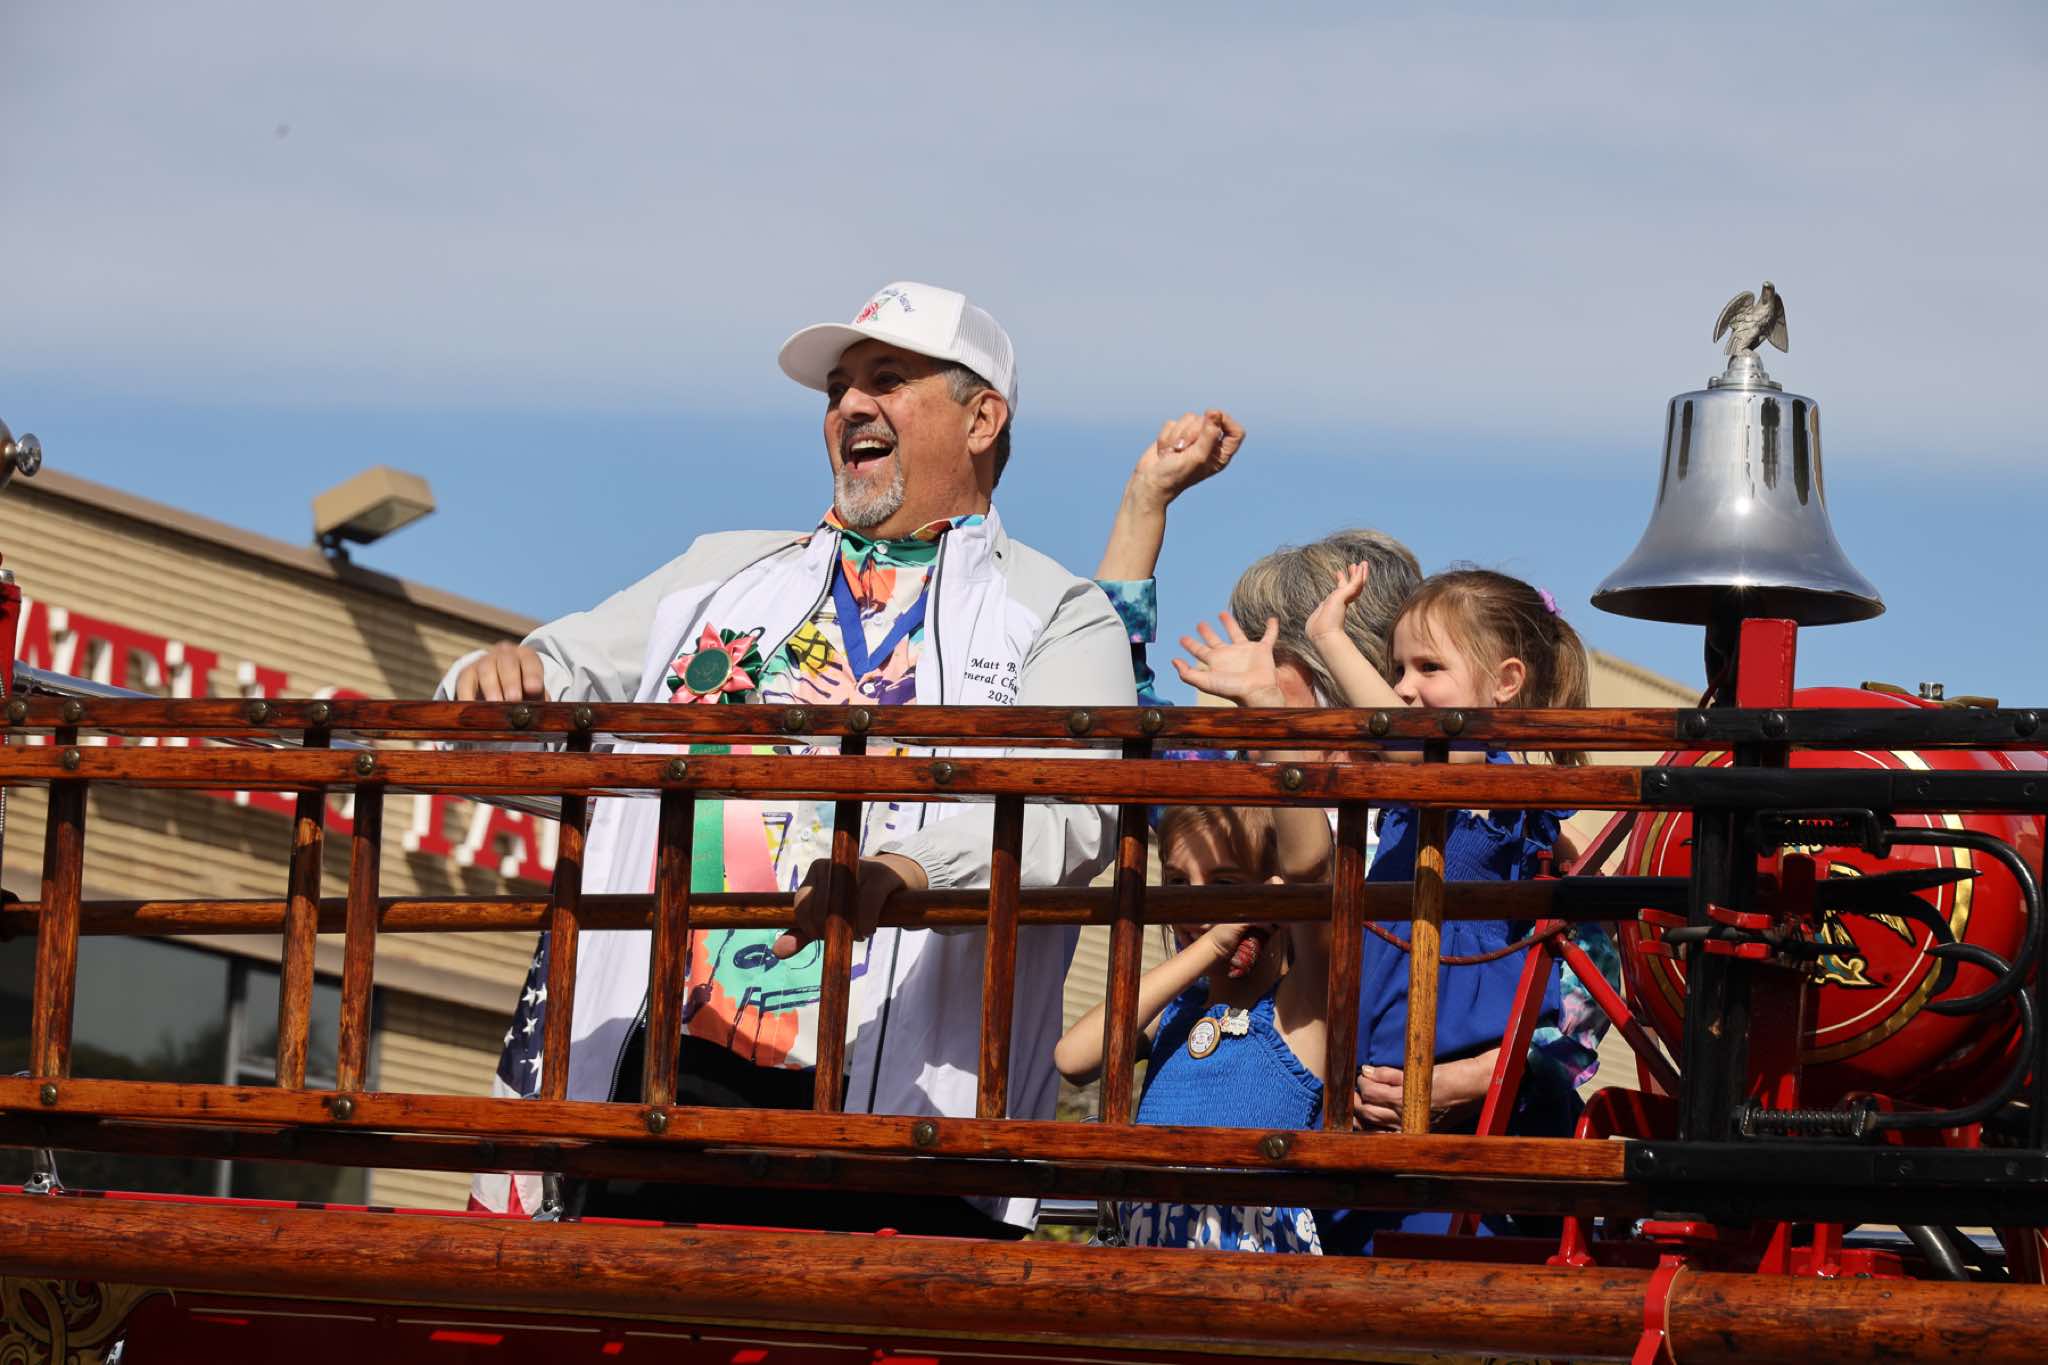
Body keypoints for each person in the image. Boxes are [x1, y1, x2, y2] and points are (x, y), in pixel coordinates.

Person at [448, 280, 1137, 1238]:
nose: (850, 405)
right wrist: (496, 675)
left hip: (906, 1122)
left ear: (982, 420)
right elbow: (539, 679)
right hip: (669, 1085)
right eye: (838, 388)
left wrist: (909, 870)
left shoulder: (1058, 611)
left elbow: (1079, 808)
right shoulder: (719, 571)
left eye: (886, 380)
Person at [1053, 804, 1328, 1253]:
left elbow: (1312, 867)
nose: (1195, 905)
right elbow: (1074, 1057)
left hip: (1247, 1274)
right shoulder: (1177, 1010)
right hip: (1152, 1267)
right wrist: (1212, 945)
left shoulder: (1298, 1006)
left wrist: (1277, 764)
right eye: (1178, 883)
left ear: (1274, 894)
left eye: (1224, 885)